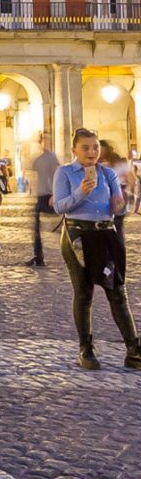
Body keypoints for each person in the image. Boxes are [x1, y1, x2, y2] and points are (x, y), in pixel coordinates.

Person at [52, 128, 141, 372]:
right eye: (86, 148)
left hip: (105, 234)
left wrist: (119, 204)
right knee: (84, 292)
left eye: (95, 147)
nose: (92, 152)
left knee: (117, 291)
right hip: (77, 235)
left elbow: (117, 205)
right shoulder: (65, 173)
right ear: (75, 150)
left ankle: (133, 350)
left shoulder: (108, 173)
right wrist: (82, 191)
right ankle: (86, 349)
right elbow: (60, 206)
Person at [26, 133, 60, 267]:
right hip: (41, 195)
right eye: (43, 139)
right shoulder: (38, 159)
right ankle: (38, 256)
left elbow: (56, 175)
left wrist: (55, 193)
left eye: (47, 139)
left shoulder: (53, 157)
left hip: (50, 195)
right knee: (36, 228)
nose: (44, 142)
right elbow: (33, 175)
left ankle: (75, 247)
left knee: (60, 226)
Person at [99, 140, 137, 243]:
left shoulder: (118, 164)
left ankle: (116, 255)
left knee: (116, 228)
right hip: (101, 203)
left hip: (117, 201)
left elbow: (131, 180)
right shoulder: (95, 165)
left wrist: (127, 192)